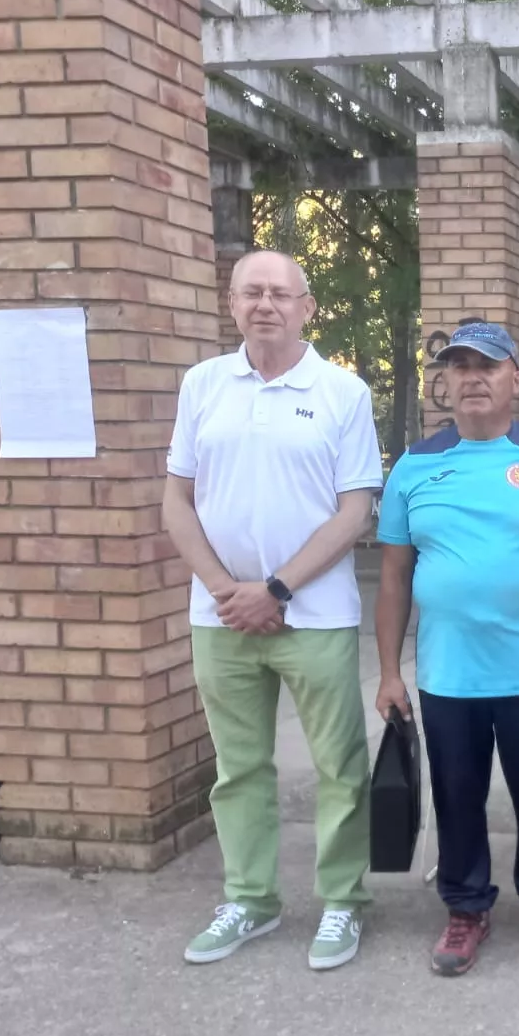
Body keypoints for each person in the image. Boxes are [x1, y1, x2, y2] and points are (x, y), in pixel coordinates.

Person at [166, 250, 384, 971]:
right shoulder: (202, 385)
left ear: (307, 306)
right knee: (238, 768)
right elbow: (177, 500)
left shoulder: (341, 391)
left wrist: (277, 589)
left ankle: (343, 903)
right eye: (252, 292)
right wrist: (227, 590)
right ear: (231, 303)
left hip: (313, 616)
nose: (266, 304)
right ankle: (251, 900)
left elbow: (355, 509)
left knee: (339, 767)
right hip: (221, 617)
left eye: (280, 294)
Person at [374, 320, 519, 976]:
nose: (472, 377)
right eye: (459, 366)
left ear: (516, 379)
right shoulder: (415, 468)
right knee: (457, 796)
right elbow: (393, 577)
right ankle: (466, 907)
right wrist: (390, 672)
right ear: (444, 381)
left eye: (488, 365)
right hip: (448, 675)